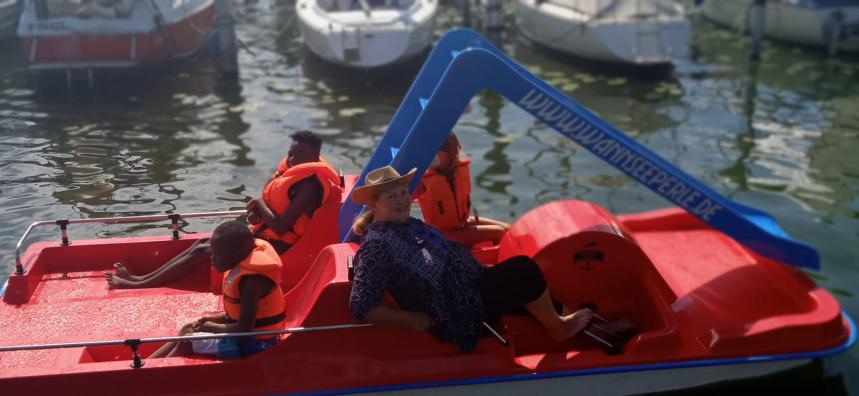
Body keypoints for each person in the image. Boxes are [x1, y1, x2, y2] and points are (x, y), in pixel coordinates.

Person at [348, 166, 608, 352]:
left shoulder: (407, 224)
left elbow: (441, 253)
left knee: (538, 293)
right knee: (524, 270)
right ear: (374, 206)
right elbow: (362, 305)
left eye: (403, 192)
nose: (402, 200)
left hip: (467, 285)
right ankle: (560, 329)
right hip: (455, 308)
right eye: (391, 196)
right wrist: (411, 318)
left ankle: (600, 332)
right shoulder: (378, 246)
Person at [105, 131, 340, 288]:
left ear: (314, 157)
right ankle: (142, 278)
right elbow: (274, 214)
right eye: (290, 153)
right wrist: (257, 211)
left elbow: (280, 225)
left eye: (298, 156)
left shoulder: (309, 186)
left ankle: (138, 284)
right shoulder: (294, 176)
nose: (291, 159)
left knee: (204, 250)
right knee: (202, 243)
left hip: (279, 246)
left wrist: (259, 203)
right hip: (267, 235)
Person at [149, 221, 285, 358]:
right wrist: (211, 319)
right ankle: (145, 365)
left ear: (236, 254)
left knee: (188, 341)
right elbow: (234, 315)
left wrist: (210, 327)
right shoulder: (242, 266)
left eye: (217, 254)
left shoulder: (252, 282)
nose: (212, 259)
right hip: (246, 336)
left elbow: (245, 329)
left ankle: (152, 373)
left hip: (258, 343)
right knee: (186, 329)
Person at [415, 133, 510, 246]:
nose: (456, 157)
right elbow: (405, 196)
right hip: (442, 235)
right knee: (499, 233)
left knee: (508, 229)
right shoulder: (424, 180)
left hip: (461, 224)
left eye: (456, 153)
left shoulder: (456, 170)